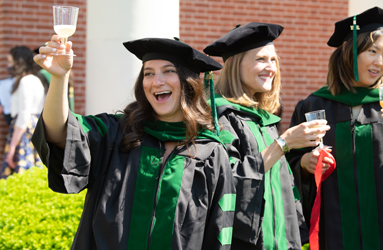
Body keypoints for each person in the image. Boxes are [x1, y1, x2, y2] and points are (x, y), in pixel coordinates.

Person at [32, 36, 235, 249]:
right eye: (148, 73)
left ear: (189, 82)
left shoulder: (210, 152)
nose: (156, 81)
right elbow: (60, 132)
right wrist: (59, 78)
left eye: (168, 71)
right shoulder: (116, 134)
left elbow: (219, 232)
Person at [203, 22, 331, 250]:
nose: (270, 67)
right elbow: (229, 182)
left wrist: (304, 164)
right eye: (260, 59)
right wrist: (284, 144)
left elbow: (279, 185)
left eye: (273, 60)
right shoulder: (221, 118)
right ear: (234, 65)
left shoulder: (265, 121)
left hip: (282, 240)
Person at [287, 6, 383, 250]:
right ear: (350, 51)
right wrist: (305, 164)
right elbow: (289, 167)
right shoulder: (313, 105)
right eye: (372, 51)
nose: (380, 62)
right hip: (332, 231)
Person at [0, 46, 47, 178]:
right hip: (32, 127)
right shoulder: (34, 79)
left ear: (18, 62)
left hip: (24, 129)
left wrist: (12, 147)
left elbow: (24, 115)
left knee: (22, 172)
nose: (9, 66)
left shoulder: (26, 81)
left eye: (11, 62)